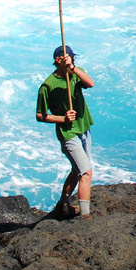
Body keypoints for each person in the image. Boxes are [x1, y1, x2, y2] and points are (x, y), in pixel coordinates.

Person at [36, 44, 96, 218]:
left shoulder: (75, 73)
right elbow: (40, 115)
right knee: (86, 172)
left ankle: (63, 204)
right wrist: (62, 118)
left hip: (83, 127)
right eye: (69, 57)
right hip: (68, 133)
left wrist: (73, 68)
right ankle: (86, 216)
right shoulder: (48, 86)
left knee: (78, 169)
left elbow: (90, 83)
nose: (73, 60)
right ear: (58, 60)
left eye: (73, 58)